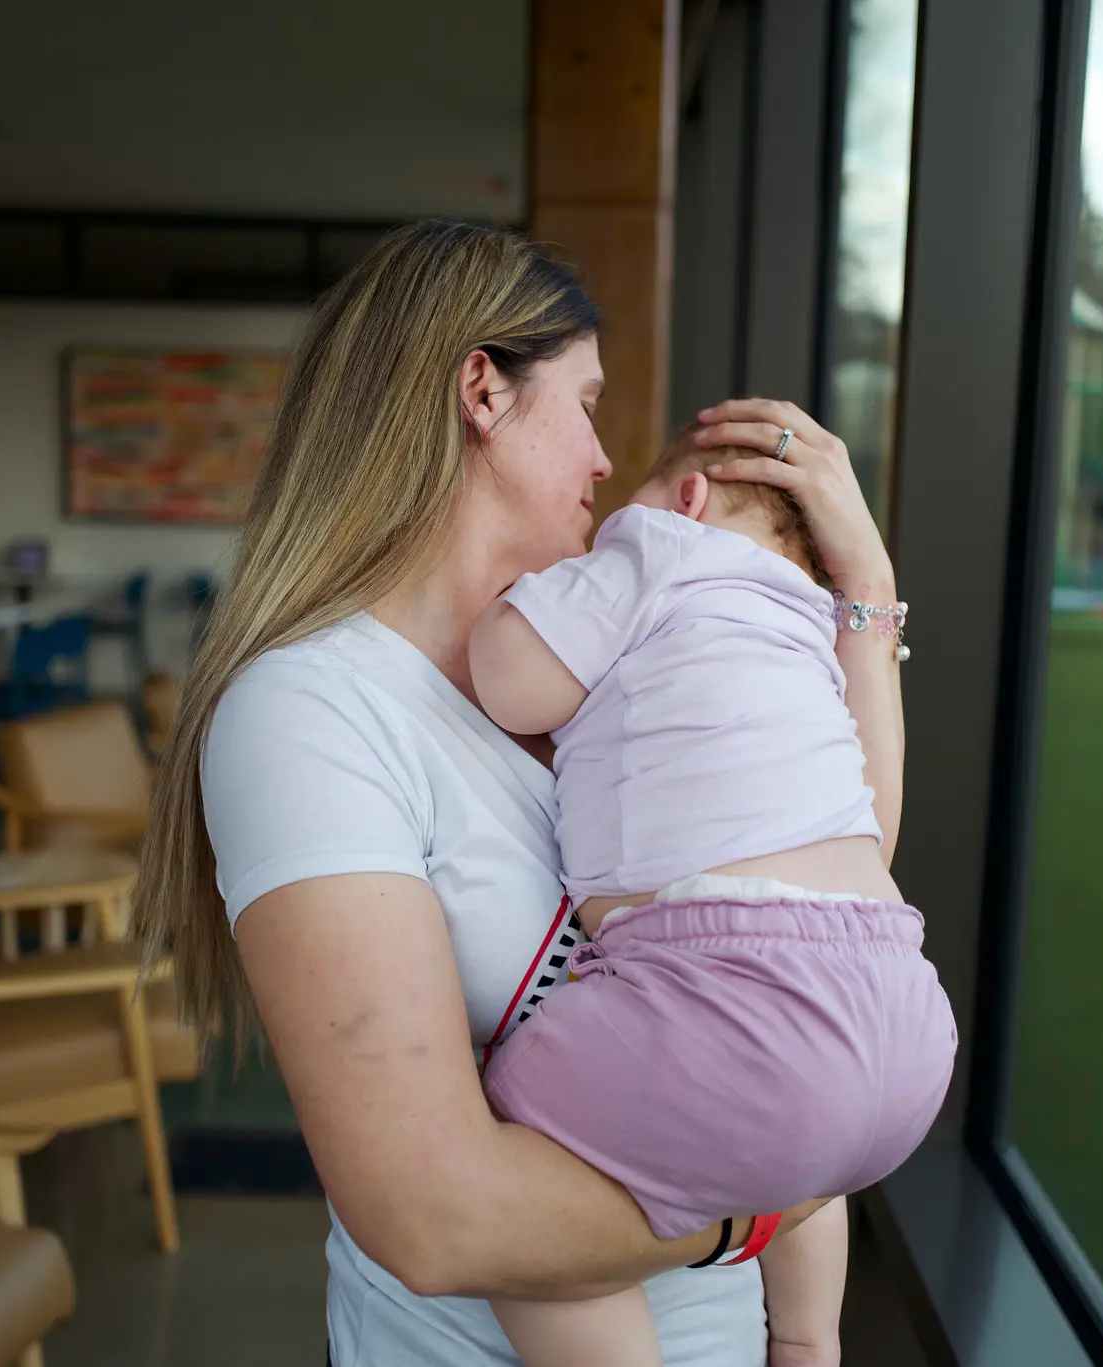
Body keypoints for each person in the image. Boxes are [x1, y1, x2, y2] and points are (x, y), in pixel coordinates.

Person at [132, 220, 908, 1367]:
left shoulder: (608, 653)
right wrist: (756, 1209)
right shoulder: (311, 709)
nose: (602, 458)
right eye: (585, 403)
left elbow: (842, 863)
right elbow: (433, 1221)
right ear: (481, 391)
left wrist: (865, 595)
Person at [468, 427, 957, 1367]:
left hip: (732, 1006)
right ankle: (807, 1337)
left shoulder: (659, 552)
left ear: (686, 499)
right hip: (902, 1018)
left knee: (502, 1159)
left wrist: (517, 605)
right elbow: (865, 831)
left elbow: (510, 679)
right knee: (801, 1143)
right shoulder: (809, 630)